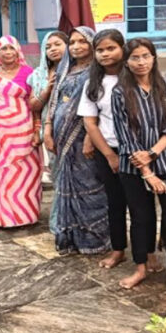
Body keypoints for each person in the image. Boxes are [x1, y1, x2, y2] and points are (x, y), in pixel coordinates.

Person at [112, 38, 166, 300]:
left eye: (145, 56)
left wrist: (152, 155)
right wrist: (147, 172)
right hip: (134, 169)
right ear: (127, 62)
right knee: (141, 217)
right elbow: (124, 135)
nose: (141, 62)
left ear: (154, 57)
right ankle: (141, 267)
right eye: (135, 58)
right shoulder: (120, 92)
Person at [44, 26, 110, 254]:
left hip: (85, 137)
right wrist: (47, 129)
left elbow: (99, 108)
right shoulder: (65, 69)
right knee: (64, 185)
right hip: (61, 138)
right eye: (72, 42)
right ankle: (69, 237)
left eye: (82, 41)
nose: (76, 46)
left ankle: (93, 239)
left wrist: (91, 139)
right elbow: (55, 101)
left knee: (89, 185)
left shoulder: (97, 71)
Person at [77, 29, 133, 270]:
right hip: (107, 149)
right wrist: (110, 155)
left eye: (111, 48)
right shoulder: (93, 83)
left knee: (141, 204)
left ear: (123, 49)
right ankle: (118, 249)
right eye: (100, 50)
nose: (105, 54)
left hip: (139, 151)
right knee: (115, 202)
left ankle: (147, 251)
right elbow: (90, 121)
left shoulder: (134, 76)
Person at [0, 35, 40, 228]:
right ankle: (0, 216)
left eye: (12, 48)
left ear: (18, 51)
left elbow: (34, 105)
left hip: (23, 133)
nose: (8, 53)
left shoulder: (29, 73)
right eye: (4, 49)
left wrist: (37, 130)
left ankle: (24, 215)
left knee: (22, 174)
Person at [27, 31, 68, 183]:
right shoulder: (39, 75)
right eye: (48, 46)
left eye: (58, 44)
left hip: (74, 129)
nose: (53, 49)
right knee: (57, 172)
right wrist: (47, 90)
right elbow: (34, 106)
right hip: (50, 130)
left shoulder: (78, 71)